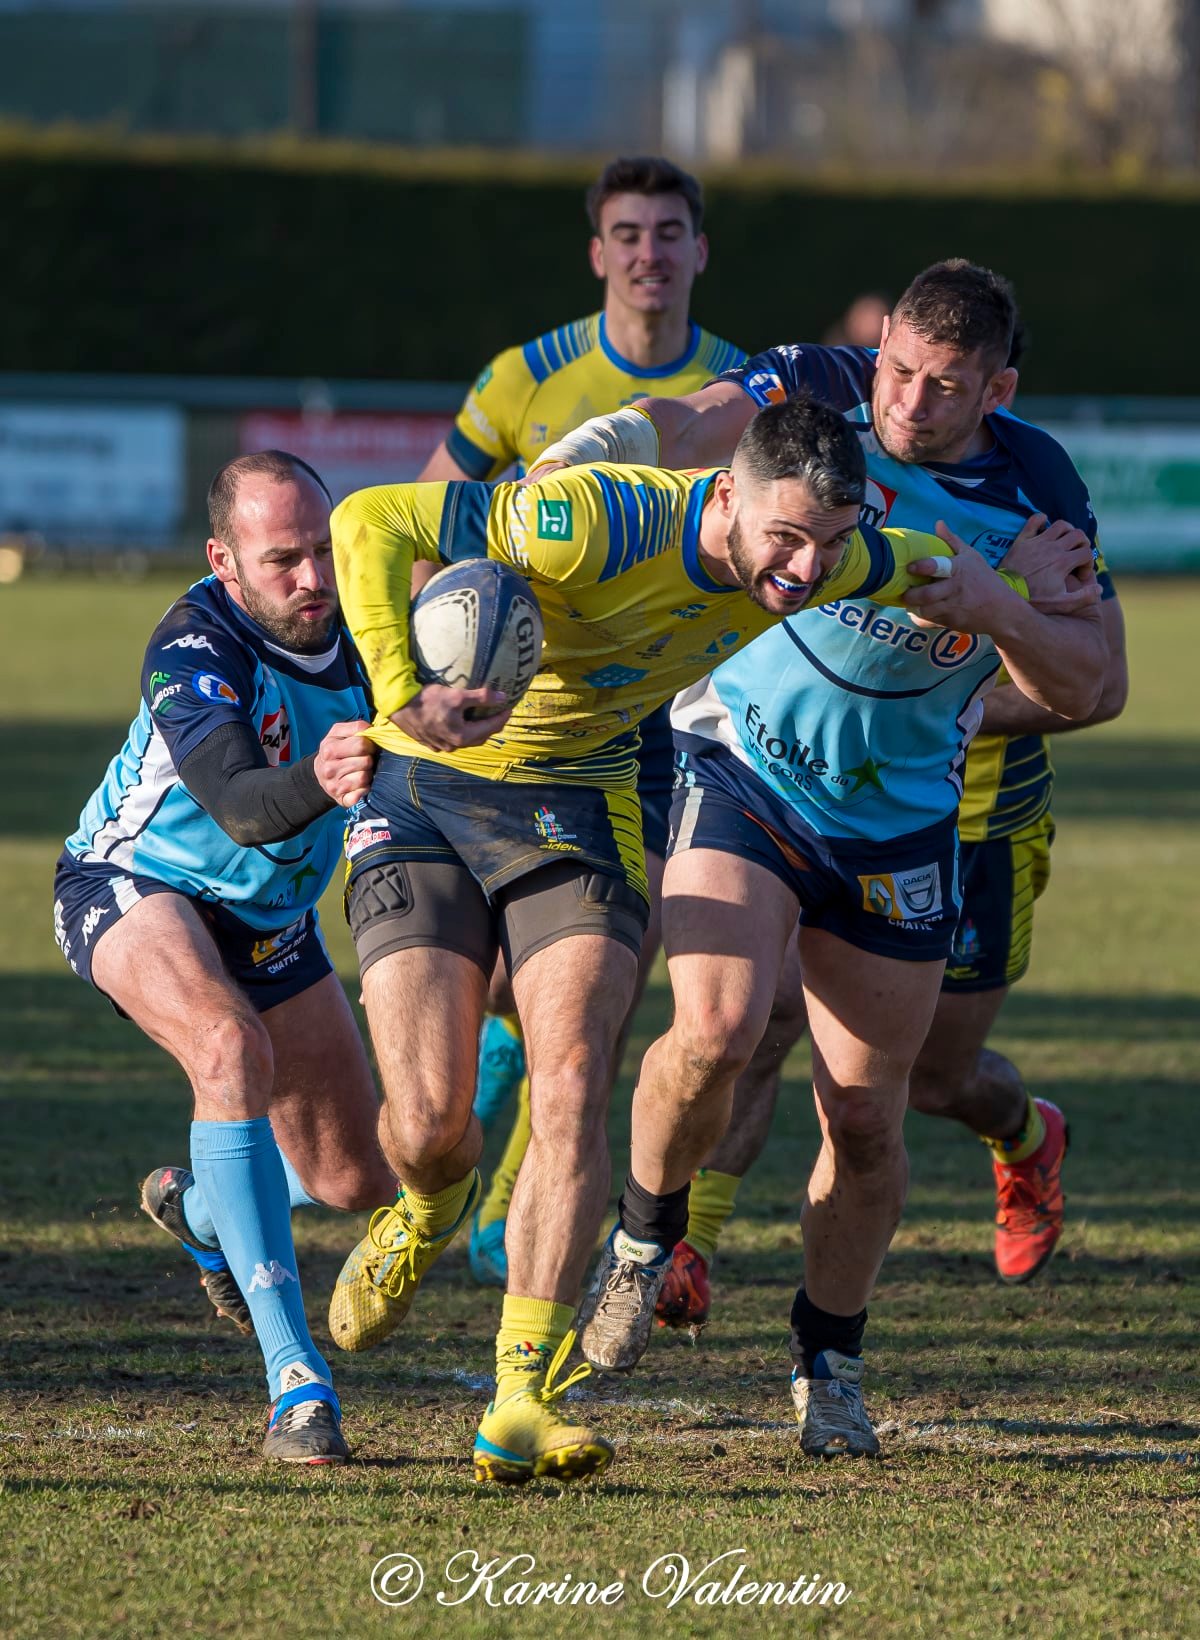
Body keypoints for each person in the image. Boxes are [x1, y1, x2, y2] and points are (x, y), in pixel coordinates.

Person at [324, 396, 1075, 1484]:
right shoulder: (587, 522)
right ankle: (431, 1203)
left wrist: (1023, 593)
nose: (807, 567)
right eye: (785, 537)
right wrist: (404, 697)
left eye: (829, 541)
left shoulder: (847, 553)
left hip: (583, 801)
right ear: (726, 495)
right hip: (430, 786)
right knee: (433, 1128)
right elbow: (370, 522)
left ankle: (521, 1395)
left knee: (575, 1073)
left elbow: (939, 572)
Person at [529, 262, 1112, 1454]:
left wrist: (1003, 610)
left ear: (996, 387)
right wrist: (594, 445)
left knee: (866, 1116)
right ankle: (644, 1238)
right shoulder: (819, 389)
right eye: (898, 365)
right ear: (880, 341)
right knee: (716, 1025)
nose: (907, 400)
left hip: (898, 822)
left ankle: (829, 1360)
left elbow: (1095, 686)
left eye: (945, 386)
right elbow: (691, 420)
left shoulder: (1037, 485)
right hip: (742, 768)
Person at [417, 155, 746, 1288]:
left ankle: (511, 1207)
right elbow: (432, 521)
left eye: (669, 232)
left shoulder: (737, 392)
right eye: (628, 232)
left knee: (613, 962)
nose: (649, 252)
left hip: (670, 715)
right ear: (597, 252)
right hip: (527, 713)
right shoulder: (526, 377)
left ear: (700, 251)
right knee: (517, 986)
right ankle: (473, 1136)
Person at [52, 451, 396, 1465]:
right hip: (132, 884)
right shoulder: (194, 637)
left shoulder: (374, 630)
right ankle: (297, 1381)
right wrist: (323, 774)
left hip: (271, 918)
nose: (312, 579)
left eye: (324, 550)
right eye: (281, 557)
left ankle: (204, 1209)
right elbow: (244, 805)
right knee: (225, 1044)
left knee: (356, 1175)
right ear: (225, 560)